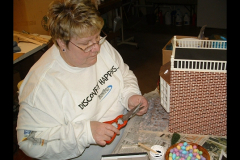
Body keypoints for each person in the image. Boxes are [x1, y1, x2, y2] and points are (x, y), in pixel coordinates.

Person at [16, 0, 149, 159]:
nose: (97, 48)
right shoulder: (42, 84)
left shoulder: (98, 44)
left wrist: (130, 95)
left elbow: (123, 73)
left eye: (98, 38)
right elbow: (28, 140)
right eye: (86, 44)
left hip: (127, 138)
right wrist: (85, 133)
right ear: (61, 42)